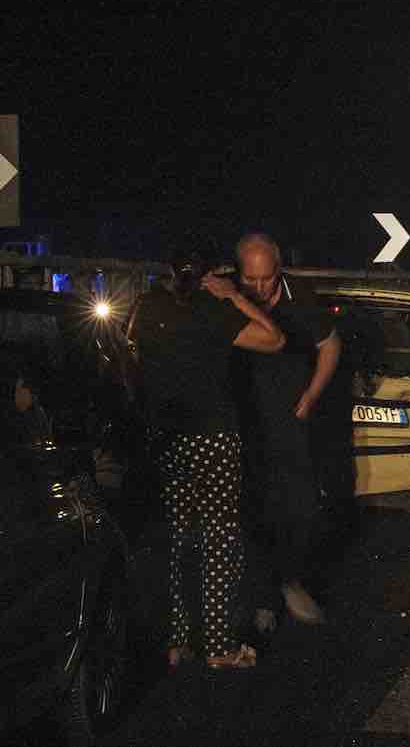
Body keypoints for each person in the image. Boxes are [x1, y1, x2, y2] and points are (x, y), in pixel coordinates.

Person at [127, 243, 285, 671]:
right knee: (219, 540)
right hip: (213, 437)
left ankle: (178, 641)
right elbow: (274, 339)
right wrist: (232, 296)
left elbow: (131, 352)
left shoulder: (147, 306)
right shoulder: (213, 309)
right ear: (209, 275)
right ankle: (218, 645)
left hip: (167, 435)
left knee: (178, 538)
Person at [233, 232, 342, 629]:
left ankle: (288, 580)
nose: (260, 288)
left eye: (267, 279)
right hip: (246, 420)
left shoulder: (302, 298)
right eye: (251, 281)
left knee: (302, 510)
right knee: (254, 510)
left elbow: (330, 343)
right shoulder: (230, 297)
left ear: (279, 271)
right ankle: (265, 597)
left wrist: (312, 394)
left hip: (293, 418)